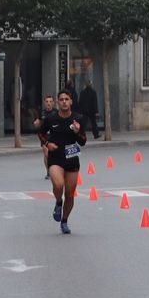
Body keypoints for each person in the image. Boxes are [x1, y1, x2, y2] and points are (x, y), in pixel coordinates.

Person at [41, 88, 87, 234]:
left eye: (67, 99)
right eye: (61, 100)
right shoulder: (51, 119)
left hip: (72, 157)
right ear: (57, 102)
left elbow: (83, 141)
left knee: (70, 194)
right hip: (56, 157)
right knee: (58, 184)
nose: (64, 102)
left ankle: (64, 221)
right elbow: (41, 133)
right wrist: (47, 144)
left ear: (71, 101)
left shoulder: (78, 118)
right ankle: (58, 202)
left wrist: (77, 132)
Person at [36, 94, 58, 180]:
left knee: (55, 154)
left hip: (54, 135)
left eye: (50, 101)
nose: (48, 103)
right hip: (44, 136)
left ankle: (55, 170)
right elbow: (38, 121)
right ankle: (49, 172)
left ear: (53, 103)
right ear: (44, 103)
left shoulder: (56, 112)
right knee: (46, 154)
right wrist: (36, 123)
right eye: (47, 101)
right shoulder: (41, 113)